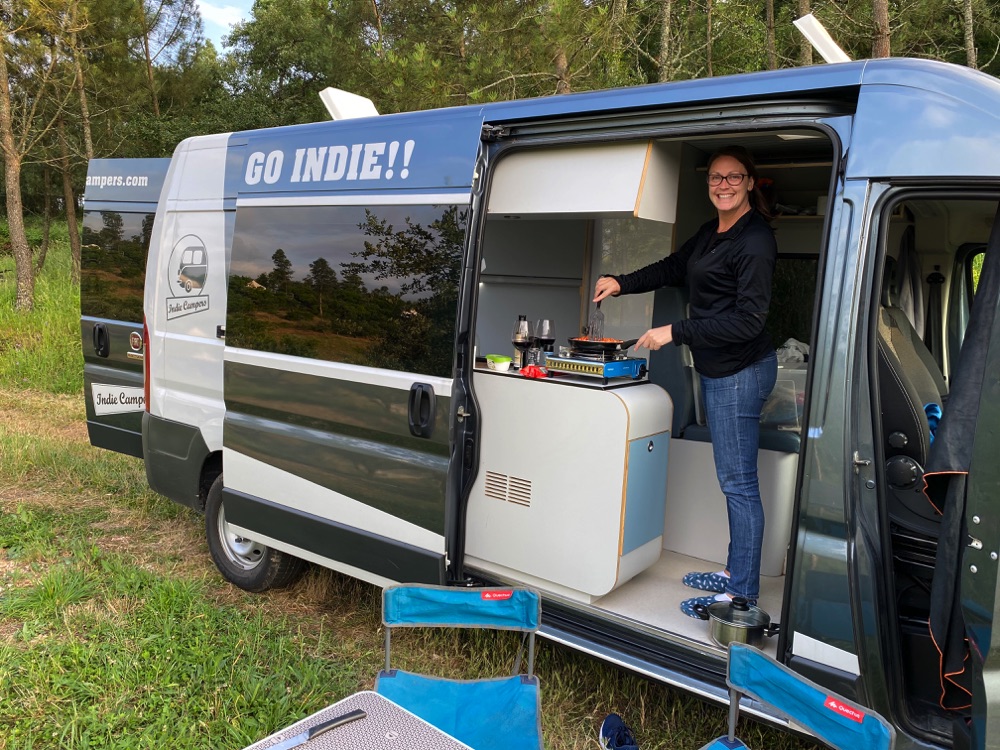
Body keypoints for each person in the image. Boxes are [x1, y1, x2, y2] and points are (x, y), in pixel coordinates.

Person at [593, 145, 777, 617]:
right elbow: (675, 267)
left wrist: (673, 332)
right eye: (716, 178)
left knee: (738, 484)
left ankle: (741, 594)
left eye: (734, 177)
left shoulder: (754, 241)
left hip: (740, 371)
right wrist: (621, 281)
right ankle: (738, 573)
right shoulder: (714, 232)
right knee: (734, 480)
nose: (723, 185)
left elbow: (748, 322)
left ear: (750, 183)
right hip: (721, 368)